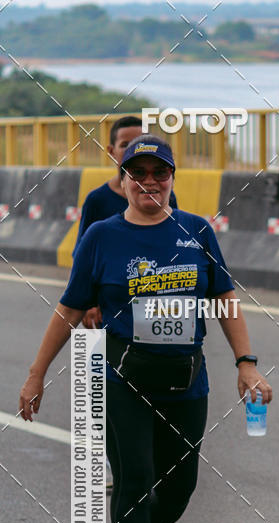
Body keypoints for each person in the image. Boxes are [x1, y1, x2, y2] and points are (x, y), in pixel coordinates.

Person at [20, 134, 272, 523]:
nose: (150, 182)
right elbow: (70, 308)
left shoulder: (196, 230)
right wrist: (36, 374)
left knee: (180, 486)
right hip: (121, 379)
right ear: (125, 179)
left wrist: (247, 362)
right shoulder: (102, 236)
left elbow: (224, 298)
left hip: (186, 379)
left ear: (173, 178)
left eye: (160, 173)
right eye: (140, 174)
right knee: (134, 479)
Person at [75, 115, 178, 491]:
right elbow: (84, 256)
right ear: (113, 153)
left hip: (150, 313)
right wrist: (89, 304)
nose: (148, 179)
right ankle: (112, 458)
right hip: (104, 313)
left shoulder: (162, 196)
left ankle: (148, 456)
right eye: (125, 146)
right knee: (106, 387)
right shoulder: (98, 201)